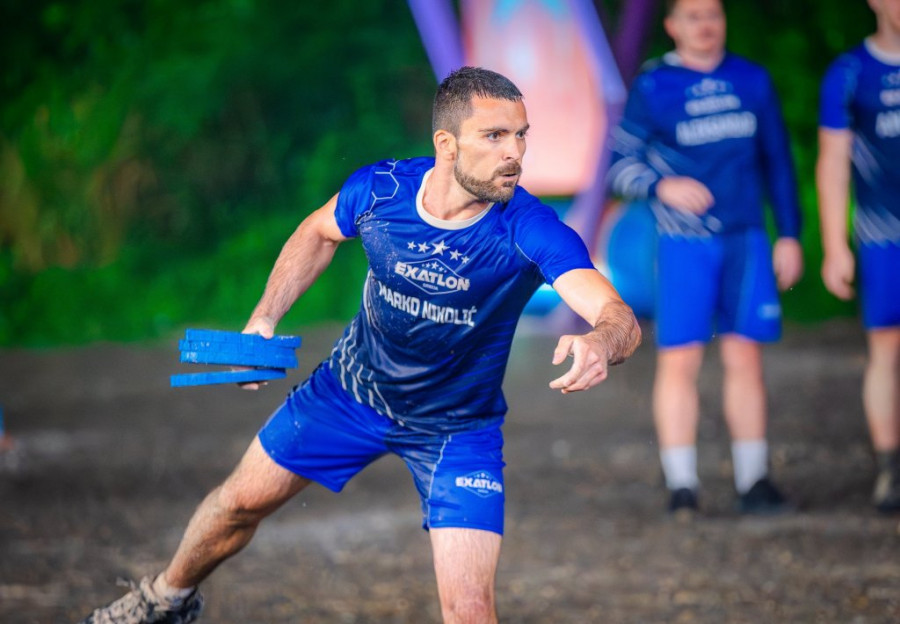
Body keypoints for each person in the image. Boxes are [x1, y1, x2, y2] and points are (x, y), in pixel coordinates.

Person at [79, 66, 641, 624]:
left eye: (520, 135)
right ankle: (163, 600)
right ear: (446, 144)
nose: (514, 152)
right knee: (235, 506)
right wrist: (263, 319)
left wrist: (601, 340)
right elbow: (317, 232)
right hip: (348, 393)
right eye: (494, 136)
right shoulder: (381, 192)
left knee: (469, 611)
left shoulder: (529, 228)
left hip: (456, 429)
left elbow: (618, 316)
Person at [607, 0, 803, 516]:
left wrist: (790, 235)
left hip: (746, 239)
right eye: (692, 16)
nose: (705, 24)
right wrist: (662, 185)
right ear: (672, 25)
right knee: (681, 359)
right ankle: (682, 487)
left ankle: (754, 480)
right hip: (683, 245)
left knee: (745, 357)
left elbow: (778, 162)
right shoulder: (654, 85)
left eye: (712, 13)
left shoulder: (751, 79)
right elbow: (618, 164)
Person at [817, 0, 900, 513]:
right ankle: (891, 471)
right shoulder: (850, 72)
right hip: (882, 238)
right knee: (886, 351)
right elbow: (833, 162)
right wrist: (834, 245)